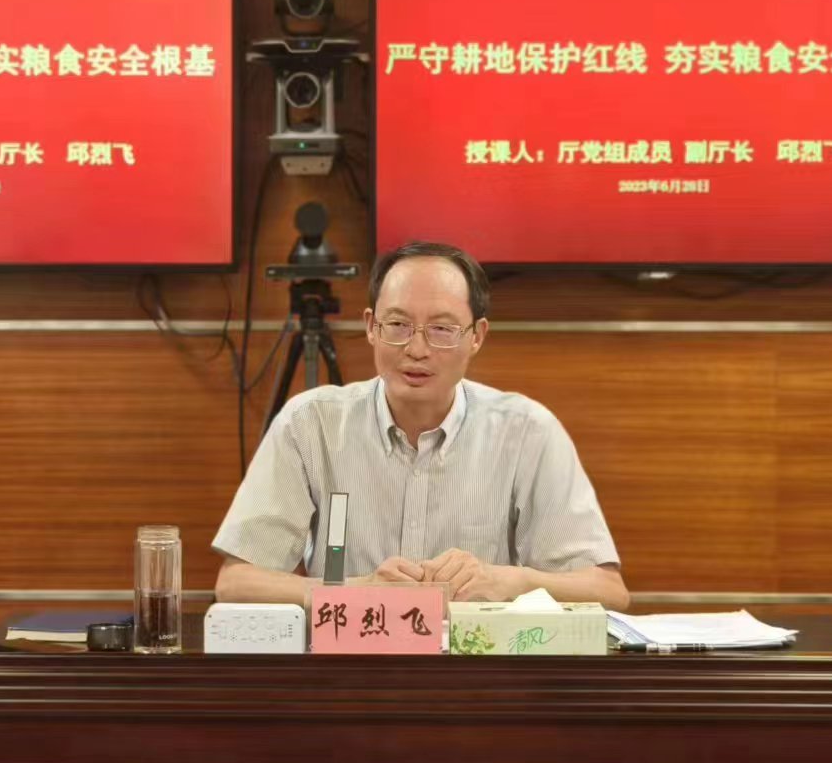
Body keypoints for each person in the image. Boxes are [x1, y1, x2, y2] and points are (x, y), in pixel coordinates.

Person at [213, 240, 627, 609]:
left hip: (476, 666)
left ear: (477, 336)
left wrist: (512, 582)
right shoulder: (310, 424)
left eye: (442, 329)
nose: (416, 349)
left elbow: (608, 591)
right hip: (351, 662)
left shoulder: (527, 432)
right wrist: (355, 590)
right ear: (371, 327)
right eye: (398, 325)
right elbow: (235, 583)